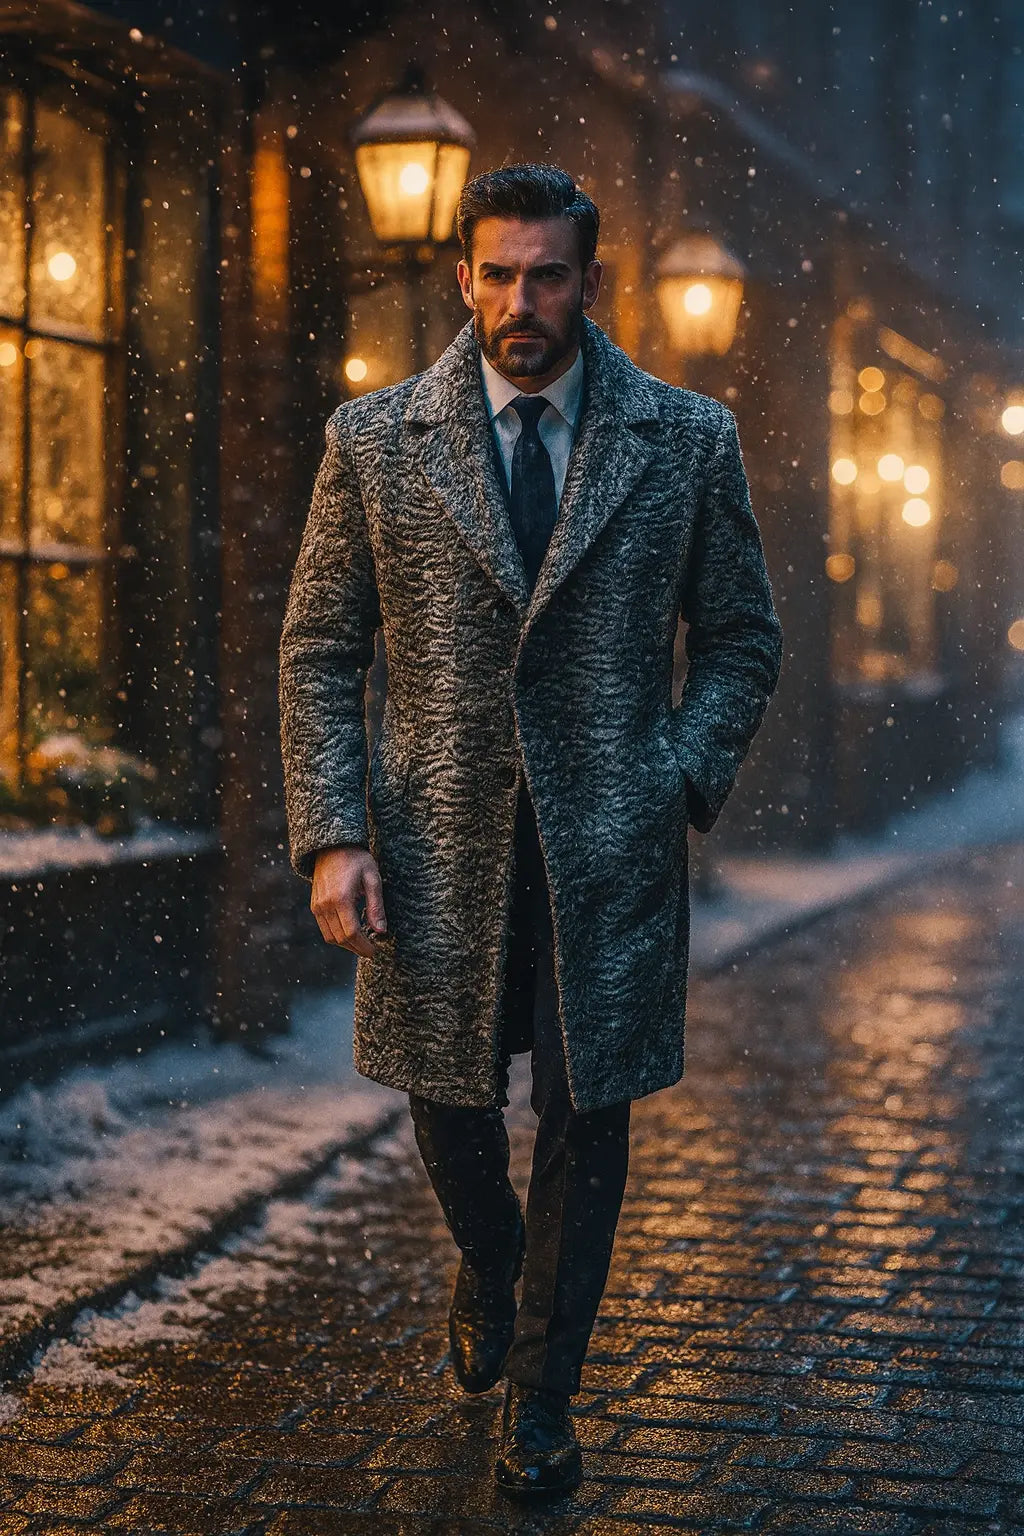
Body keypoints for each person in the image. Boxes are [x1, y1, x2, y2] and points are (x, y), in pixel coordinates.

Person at [279, 163, 783, 1499]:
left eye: (547, 274)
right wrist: (335, 832)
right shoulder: (374, 440)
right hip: (437, 846)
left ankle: (543, 1405)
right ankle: (497, 1266)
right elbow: (323, 645)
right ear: (462, 277)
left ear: (589, 281)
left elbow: (739, 637)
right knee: (448, 1105)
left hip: (607, 848)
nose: (522, 301)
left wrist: (674, 773)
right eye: (497, 273)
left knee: (587, 1114)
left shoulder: (684, 440)